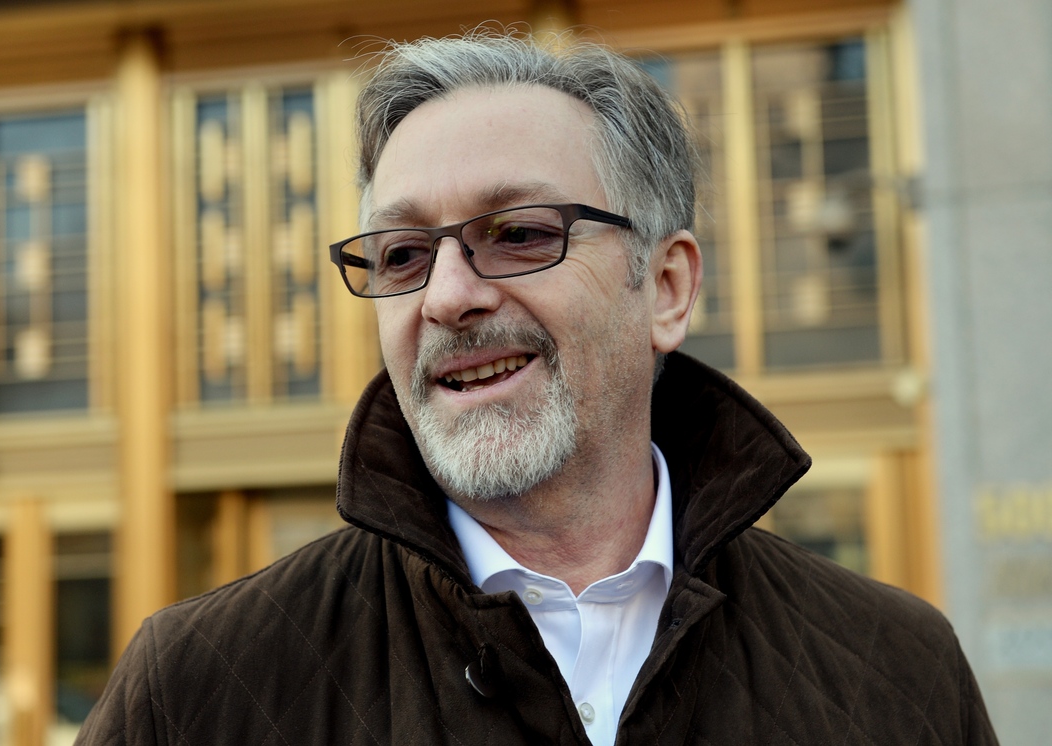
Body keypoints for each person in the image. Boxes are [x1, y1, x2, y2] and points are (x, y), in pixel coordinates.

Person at [77, 30, 998, 745]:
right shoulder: (200, 687)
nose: (446, 297)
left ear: (667, 287)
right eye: (402, 255)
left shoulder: (896, 671)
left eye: (518, 233)